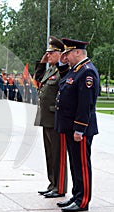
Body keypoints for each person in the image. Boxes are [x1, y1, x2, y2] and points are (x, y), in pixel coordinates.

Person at [55, 38, 99, 212]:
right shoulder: (76, 70)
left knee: (81, 164)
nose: (66, 57)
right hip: (71, 127)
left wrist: (79, 128)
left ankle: (83, 200)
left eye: (68, 54)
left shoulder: (87, 72)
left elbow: (85, 104)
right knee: (74, 164)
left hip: (80, 128)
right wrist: (62, 61)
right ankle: (76, 195)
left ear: (78, 52)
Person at [34, 36, 67, 199]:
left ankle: (59, 187)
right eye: (47, 53)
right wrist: (42, 61)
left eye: (51, 53)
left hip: (55, 118)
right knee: (49, 154)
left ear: (61, 54)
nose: (48, 56)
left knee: (57, 154)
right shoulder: (50, 69)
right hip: (46, 117)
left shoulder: (62, 70)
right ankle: (52, 183)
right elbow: (37, 79)